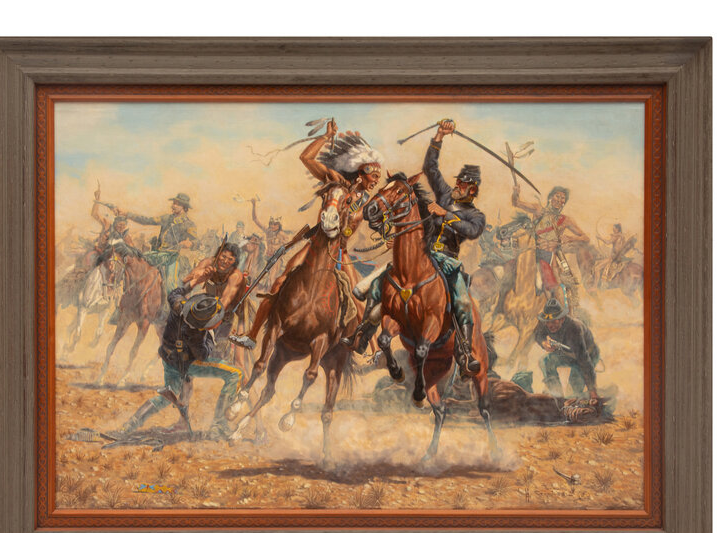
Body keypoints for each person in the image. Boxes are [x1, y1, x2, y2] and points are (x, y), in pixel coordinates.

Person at [230, 120, 383, 350]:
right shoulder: (336, 181)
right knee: (279, 283)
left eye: (379, 177)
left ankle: (372, 349)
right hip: (316, 244)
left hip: (339, 252)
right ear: (362, 173)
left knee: (357, 296)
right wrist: (325, 136)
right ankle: (251, 336)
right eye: (374, 175)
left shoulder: (366, 201)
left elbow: (354, 227)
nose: (377, 180)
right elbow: (306, 158)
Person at [348, 119, 486, 375]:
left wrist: (446, 214)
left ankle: (465, 352)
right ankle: (364, 332)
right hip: (421, 252)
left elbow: (472, 231)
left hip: (446, 260)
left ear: (472, 190)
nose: (457, 186)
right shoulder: (444, 194)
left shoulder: (475, 215)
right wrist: (439, 136)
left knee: (462, 300)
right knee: (381, 282)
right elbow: (430, 168)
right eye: (458, 182)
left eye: (462, 184)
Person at [116, 277, 244, 441]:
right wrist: (212, 337)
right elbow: (203, 355)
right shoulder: (196, 334)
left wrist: (192, 283)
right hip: (188, 364)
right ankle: (218, 425)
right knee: (235, 374)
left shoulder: (179, 306)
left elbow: (175, 293)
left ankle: (128, 426)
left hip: (169, 360)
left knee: (166, 397)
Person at [511, 183, 589, 305]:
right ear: (551, 197)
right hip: (535, 252)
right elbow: (517, 203)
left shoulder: (566, 220)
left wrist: (571, 238)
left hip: (552, 255)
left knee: (561, 282)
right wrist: (516, 193)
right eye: (557, 196)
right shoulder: (538, 210)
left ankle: (560, 308)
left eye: (562, 198)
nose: (559, 200)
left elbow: (585, 238)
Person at [115, 192, 197, 297]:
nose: (173, 205)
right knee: (136, 262)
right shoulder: (166, 218)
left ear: (184, 207)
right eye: (174, 203)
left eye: (177, 204)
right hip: (157, 254)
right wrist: (127, 214)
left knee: (170, 284)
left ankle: (174, 304)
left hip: (172, 257)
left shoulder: (189, 224)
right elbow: (146, 220)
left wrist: (190, 243)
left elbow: (197, 242)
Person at [533, 298, 600, 401]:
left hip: (587, 355)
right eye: (548, 322)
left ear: (562, 319)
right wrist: (544, 343)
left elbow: (584, 360)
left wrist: (592, 390)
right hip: (566, 353)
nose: (550, 325)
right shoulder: (545, 322)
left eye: (554, 322)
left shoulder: (574, 329)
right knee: (545, 361)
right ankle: (556, 395)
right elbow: (538, 334)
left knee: (574, 389)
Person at [594, 223, 639, 287]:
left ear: (617, 229)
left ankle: (595, 286)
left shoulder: (615, 236)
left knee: (597, 268)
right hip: (619, 257)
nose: (613, 229)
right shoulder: (622, 236)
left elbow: (607, 242)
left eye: (614, 228)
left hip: (613, 258)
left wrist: (599, 238)